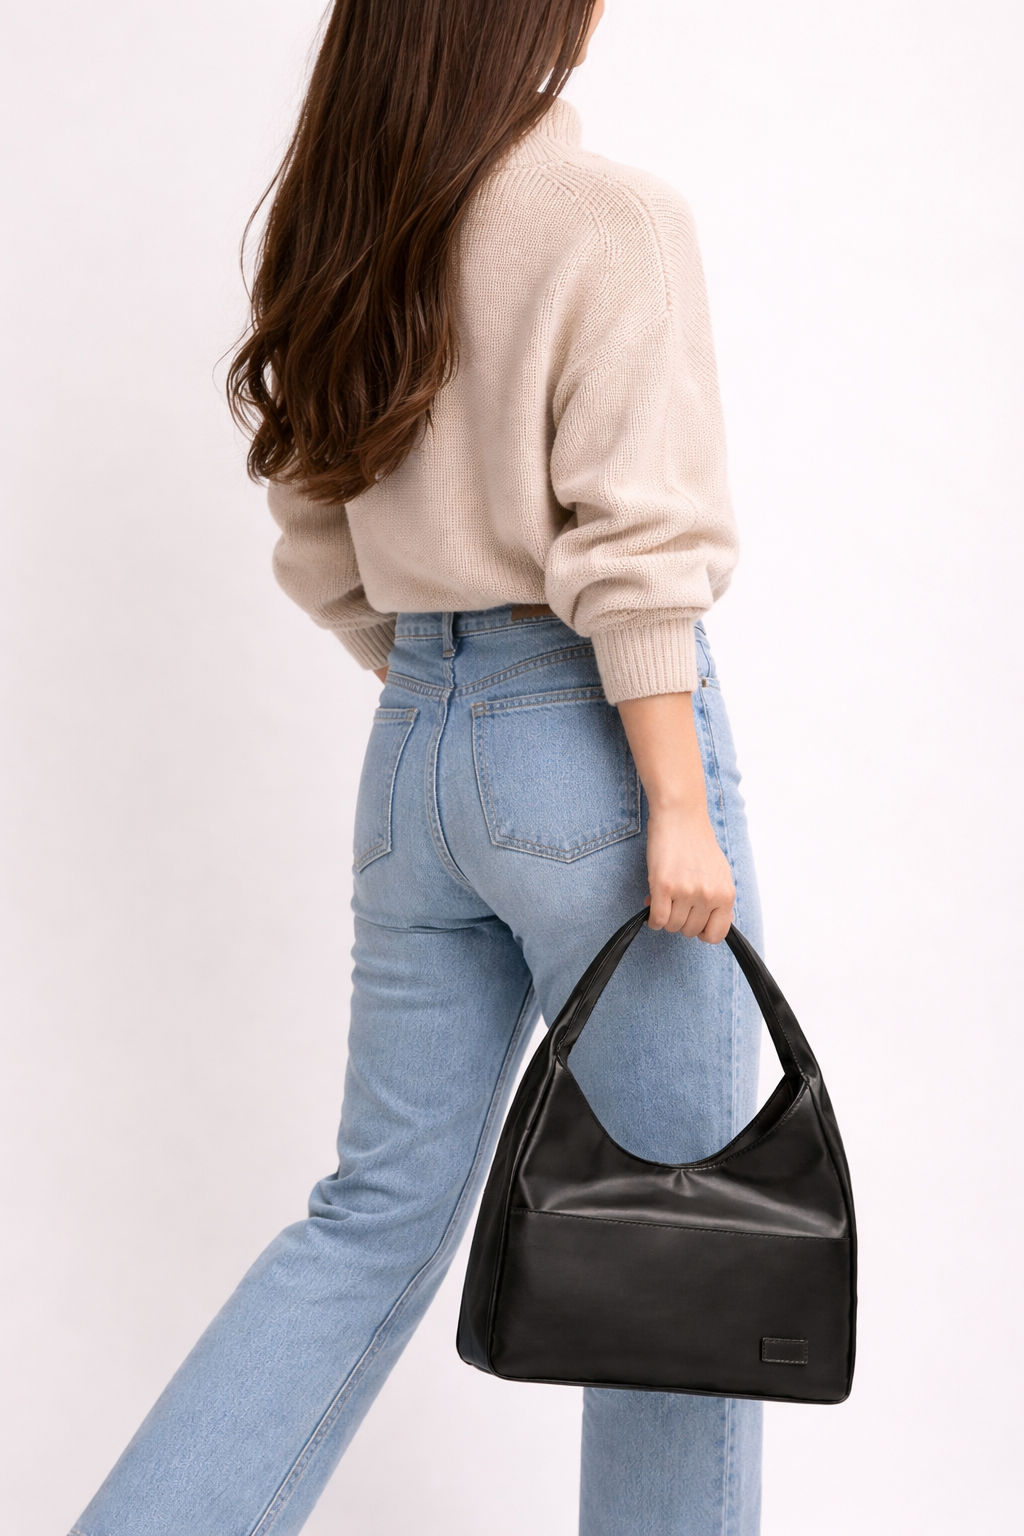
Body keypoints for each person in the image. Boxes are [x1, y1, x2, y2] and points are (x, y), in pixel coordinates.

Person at [70, 3, 764, 1533]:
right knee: (677, 1232)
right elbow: (638, 556)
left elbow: (317, 533)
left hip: (416, 764)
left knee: (371, 1217)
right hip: (594, 749)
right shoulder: (612, 221)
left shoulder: (349, 234)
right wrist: (669, 803)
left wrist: (448, 696)